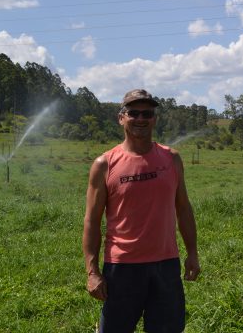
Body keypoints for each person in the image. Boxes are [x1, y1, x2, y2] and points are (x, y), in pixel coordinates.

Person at [82, 89, 200, 332]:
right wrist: (92, 271)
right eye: (133, 113)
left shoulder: (171, 159)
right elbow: (92, 221)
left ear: (154, 119)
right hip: (122, 266)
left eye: (147, 113)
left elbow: (184, 209)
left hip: (166, 265)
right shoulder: (104, 164)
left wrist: (192, 252)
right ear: (121, 118)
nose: (141, 118)